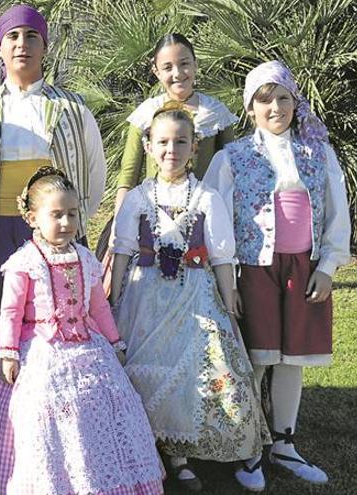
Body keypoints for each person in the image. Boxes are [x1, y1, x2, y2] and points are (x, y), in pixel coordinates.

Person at [203, 60, 351, 488]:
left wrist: (327, 266)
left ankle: (284, 441)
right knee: (257, 358)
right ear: (251, 108)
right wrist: (228, 278)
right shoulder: (234, 157)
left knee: (292, 358)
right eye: (264, 99)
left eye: (283, 97)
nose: (275, 107)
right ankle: (249, 445)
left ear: (295, 102)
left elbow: (336, 212)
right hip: (255, 267)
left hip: (302, 267)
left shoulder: (318, 152)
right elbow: (217, 221)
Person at [111, 103, 269, 492]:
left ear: (194, 146)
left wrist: (229, 301)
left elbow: (221, 256)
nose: (171, 150)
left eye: (181, 141)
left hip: (195, 296)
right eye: (163, 141)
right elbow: (121, 251)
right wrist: (112, 302)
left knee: (205, 367)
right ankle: (166, 453)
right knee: (151, 368)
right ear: (148, 146)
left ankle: (198, 447)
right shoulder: (136, 199)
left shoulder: (207, 197)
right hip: (144, 297)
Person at [0, 166, 164, 494]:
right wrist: (7, 352)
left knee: (102, 406)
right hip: (41, 351)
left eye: (72, 214)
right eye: (57, 215)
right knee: (47, 414)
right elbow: (10, 312)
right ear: (33, 218)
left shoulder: (85, 257)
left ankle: (106, 478)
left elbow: (99, 307)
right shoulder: (25, 262)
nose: (66, 223)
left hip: (88, 346)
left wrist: (114, 341)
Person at [0, 4, 106, 332]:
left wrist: (70, 220)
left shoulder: (72, 108)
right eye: (13, 36)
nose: (22, 44)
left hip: (58, 229)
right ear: (0, 48)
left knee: (58, 317)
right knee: (0, 318)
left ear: (45, 47)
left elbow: (94, 171)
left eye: (32, 36)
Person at [100, 33, 237, 292]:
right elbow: (127, 176)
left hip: (203, 219)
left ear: (195, 64)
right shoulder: (145, 115)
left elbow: (231, 173)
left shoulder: (216, 115)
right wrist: (119, 228)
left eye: (184, 63)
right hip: (153, 218)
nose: (178, 73)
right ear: (156, 71)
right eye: (167, 67)